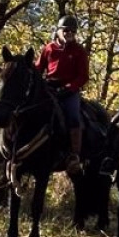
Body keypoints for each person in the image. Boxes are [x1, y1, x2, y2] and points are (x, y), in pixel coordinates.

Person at [38, 13, 91, 167]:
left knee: (73, 116)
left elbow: (83, 76)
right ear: (59, 31)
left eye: (73, 31)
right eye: (66, 30)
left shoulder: (79, 51)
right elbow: (38, 68)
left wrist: (69, 89)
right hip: (49, 88)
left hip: (69, 91)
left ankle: (74, 154)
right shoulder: (49, 48)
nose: (69, 34)